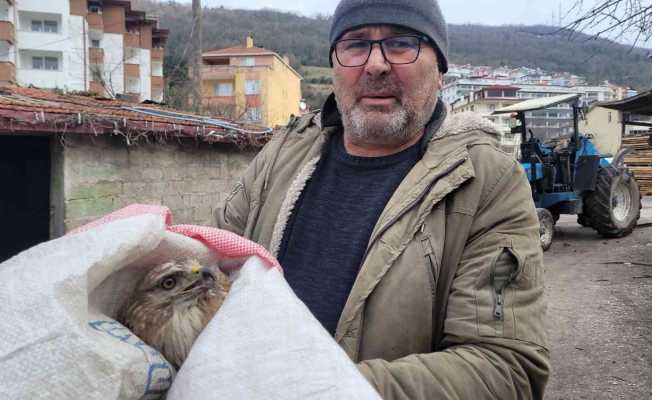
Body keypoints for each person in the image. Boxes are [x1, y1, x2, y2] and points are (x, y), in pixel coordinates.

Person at [215, 0, 550, 398]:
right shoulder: (282, 154)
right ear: (336, 66)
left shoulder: (485, 180)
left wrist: (322, 388)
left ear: (440, 70)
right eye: (356, 44)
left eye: (401, 43)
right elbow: (208, 272)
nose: (375, 64)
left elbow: (505, 368)